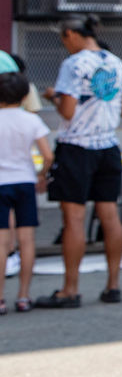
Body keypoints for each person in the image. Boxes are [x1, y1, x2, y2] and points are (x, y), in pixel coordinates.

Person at [36, 14, 122, 309]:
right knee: (110, 216)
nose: (65, 45)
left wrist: (54, 96)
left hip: (76, 147)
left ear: (71, 35)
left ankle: (70, 289)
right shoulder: (119, 63)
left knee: (74, 219)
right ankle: (113, 285)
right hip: (108, 145)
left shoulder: (73, 63)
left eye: (64, 39)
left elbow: (67, 111)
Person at [0, 72, 53, 314]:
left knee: (1, 244)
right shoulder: (30, 120)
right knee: (26, 240)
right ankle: (24, 296)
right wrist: (42, 175)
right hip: (24, 181)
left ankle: (0, 298)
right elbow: (48, 155)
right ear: (24, 96)